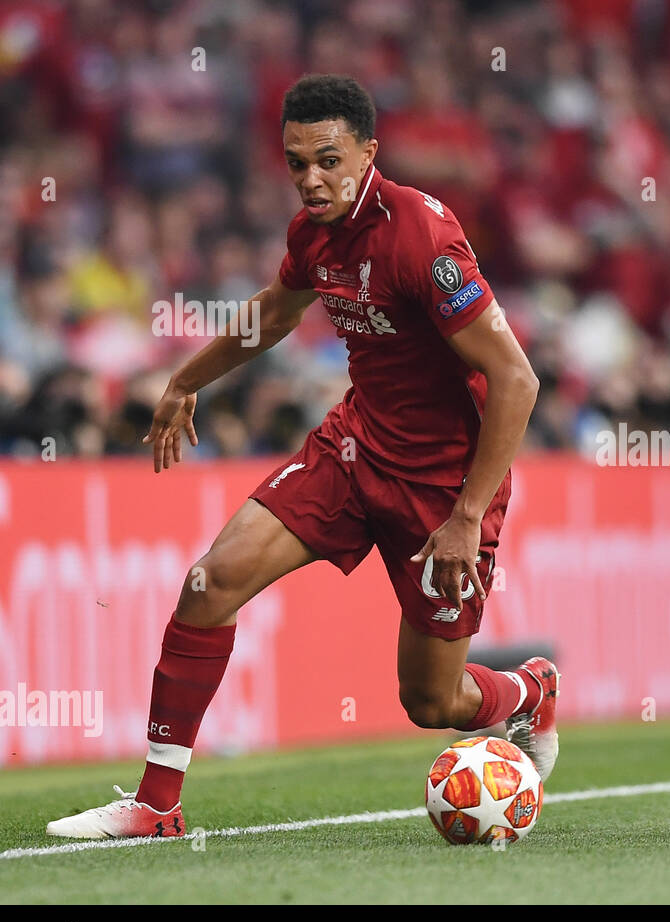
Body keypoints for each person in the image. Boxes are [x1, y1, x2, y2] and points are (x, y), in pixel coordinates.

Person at [48, 74, 557, 840]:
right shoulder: (312, 234)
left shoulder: (421, 233)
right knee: (208, 583)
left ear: (368, 152)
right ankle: (156, 807)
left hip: (445, 487)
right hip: (354, 449)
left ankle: (529, 690)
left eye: (328, 159)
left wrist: (467, 515)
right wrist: (185, 380)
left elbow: (518, 377)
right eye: (296, 162)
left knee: (431, 704)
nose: (311, 178)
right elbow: (274, 317)